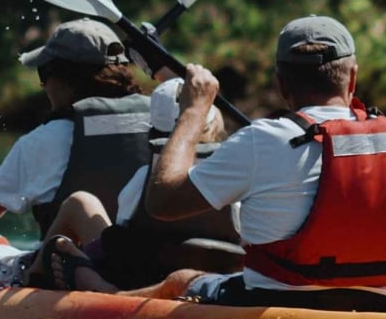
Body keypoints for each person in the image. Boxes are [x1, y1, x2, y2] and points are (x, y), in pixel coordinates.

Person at [57, 15, 386, 311]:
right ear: (352, 79)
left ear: (281, 84)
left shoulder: (262, 140)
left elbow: (162, 203)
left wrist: (193, 111)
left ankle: (103, 298)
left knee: (183, 280)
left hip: (277, 308)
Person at [0, 19, 151, 242]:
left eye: (43, 76)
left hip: (74, 269)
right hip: (158, 265)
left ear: (59, 79)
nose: (44, 87)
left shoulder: (46, 139)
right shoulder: (168, 122)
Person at [30, 75, 241, 290]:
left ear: (154, 128)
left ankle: (32, 278)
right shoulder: (235, 178)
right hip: (214, 276)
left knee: (80, 202)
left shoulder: (148, 177)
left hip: (134, 276)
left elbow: (124, 230)